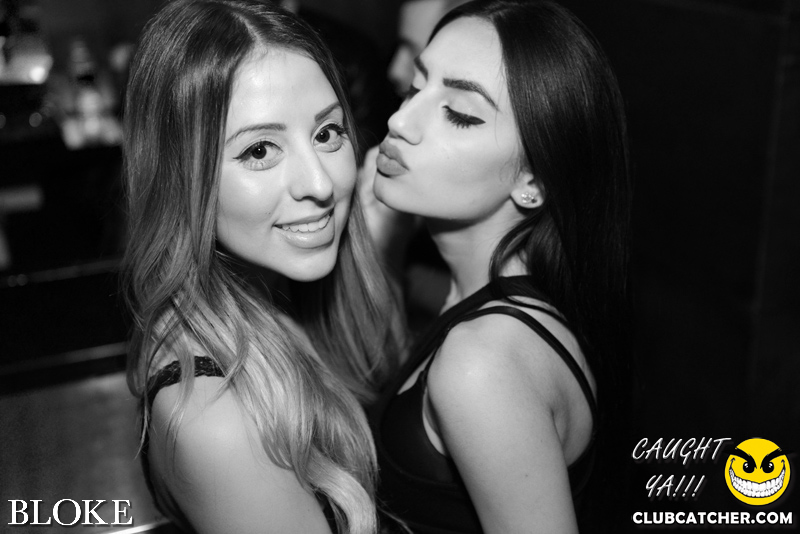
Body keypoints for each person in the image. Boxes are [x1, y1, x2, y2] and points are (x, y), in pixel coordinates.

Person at [121, 1, 402, 533]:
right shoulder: (219, 421)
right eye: (259, 151)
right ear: (182, 178)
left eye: (326, 133)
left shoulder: (289, 292)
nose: (320, 183)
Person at [370, 0, 631, 532]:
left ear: (534, 183)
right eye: (417, 88)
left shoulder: (482, 362)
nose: (399, 121)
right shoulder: (489, 305)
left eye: (459, 114)